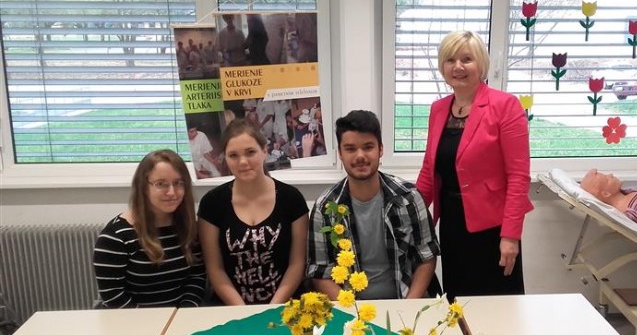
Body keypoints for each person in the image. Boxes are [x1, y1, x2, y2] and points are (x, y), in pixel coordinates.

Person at [416, 31, 533, 301]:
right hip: (452, 224)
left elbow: (518, 177)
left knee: (497, 306)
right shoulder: (438, 109)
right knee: (458, 302)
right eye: (450, 60)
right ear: (442, 66)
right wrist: (411, 218)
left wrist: (510, 236)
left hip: (493, 230)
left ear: (481, 64)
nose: (458, 66)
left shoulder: (505, 105)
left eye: (466, 59)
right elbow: (429, 172)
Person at [307, 110, 441, 300]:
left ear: (381, 149)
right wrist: (352, 310)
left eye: (368, 147)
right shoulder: (325, 207)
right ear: (340, 154)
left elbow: (426, 257)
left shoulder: (408, 197)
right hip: (350, 306)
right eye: (350, 149)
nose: (360, 156)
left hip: (405, 300)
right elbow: (321, 273)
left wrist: (408, 306)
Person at [198, 119, 308, 305]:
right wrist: (243, 311)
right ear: (225, 158)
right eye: (233, 155)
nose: (243, 162)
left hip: (284, 306)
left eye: (250, 152)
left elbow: (297, 264)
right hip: (231, 308)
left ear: (264, 151)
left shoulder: (291, 199)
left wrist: (272, 308)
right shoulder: (212, 203)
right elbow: (215, 269)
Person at [93, 149, 206, 308]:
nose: (172, 192)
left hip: (180, 316)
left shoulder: (189, 228)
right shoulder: (115, 237)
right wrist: (152, 320)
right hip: (131, 318)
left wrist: (183, 312)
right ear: (143, 187)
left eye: (178, 183)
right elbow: (113, 296)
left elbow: (197, 278)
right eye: (161, 184)